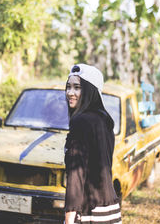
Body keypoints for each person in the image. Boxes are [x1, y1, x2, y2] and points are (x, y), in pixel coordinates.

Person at [64, 63, 122, 224]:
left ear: (89, 90)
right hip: (111, 210)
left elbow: (77, 173)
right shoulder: (104, 119)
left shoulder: (80, 121)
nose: (70, 93)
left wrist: (69, 217)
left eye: (77, 87)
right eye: (68, 87)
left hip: (89, 212)